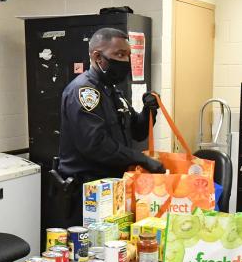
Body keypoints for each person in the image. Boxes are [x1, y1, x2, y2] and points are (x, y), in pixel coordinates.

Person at [57, 27, 164, 226]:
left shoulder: (113, 91)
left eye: (128, 55)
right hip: (88, 191)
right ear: (98, 56)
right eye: (119, 54)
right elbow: (95, 144)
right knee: (91, 252)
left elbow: (138, 132)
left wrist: (149, 110)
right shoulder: (84, 91)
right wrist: (141, 158)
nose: (125, 61)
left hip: (113, 188)